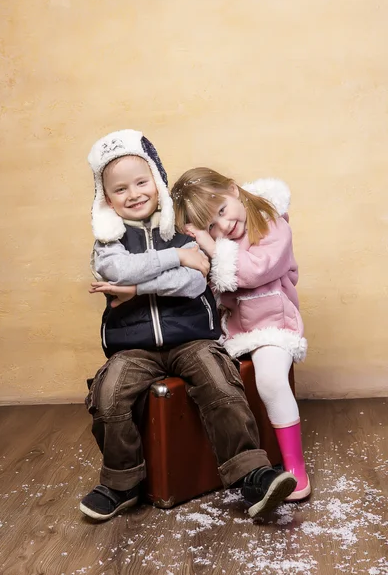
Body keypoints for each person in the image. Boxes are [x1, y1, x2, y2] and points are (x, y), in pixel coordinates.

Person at [80, 129, 297, 521]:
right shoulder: (109, 241)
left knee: (219, 381)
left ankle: (252, 474)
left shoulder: (180, 226)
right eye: (120, 189)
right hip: (132, 346)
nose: (134, 194)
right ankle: (121, 481)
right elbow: (114, 268)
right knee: (109, 394)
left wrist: (135, 286)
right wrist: (173, 260)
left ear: (157, 181)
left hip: (191, 338)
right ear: (106, 198)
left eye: (142, 182)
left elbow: (195, 281)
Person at [171, 167, 310, 501]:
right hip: (232, 330)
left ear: (232, 190)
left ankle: (295, 468)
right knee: (206, 378)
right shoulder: (218, 243)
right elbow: (209, 285)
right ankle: (233, 463)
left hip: (272, 326)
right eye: (211, 227)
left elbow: (252, 271)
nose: (224, 227)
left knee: (271, 380)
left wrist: (210, 245)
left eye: (221, 211)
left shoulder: (273, 224)